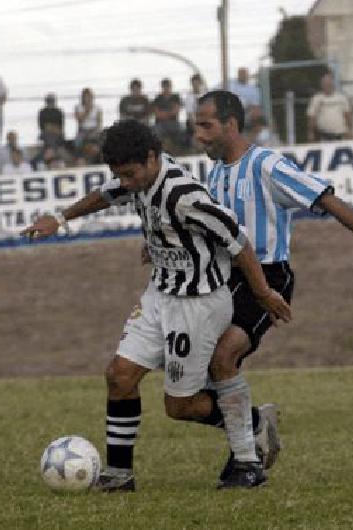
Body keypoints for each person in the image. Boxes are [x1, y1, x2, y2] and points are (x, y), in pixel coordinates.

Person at [21, 119, 292, 492]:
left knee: (179, 406)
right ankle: (119, 475)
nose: (126, 183)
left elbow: (238, 240)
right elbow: (107, 193)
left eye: (131, 174)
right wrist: (60, 218)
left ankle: (252, 433)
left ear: (152, 158)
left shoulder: (185, 195)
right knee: (119, 375)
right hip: (159, 295)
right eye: (120, 175)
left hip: (198, 304)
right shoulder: (136, 176)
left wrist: (262, 292)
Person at [189, 90, 353, 483]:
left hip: (267, 277)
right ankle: (254, 426)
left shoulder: (267, 165)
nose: (199, 135)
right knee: (195, 384)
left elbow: (325, 199)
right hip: (222, 280)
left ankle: (246, 463)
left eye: (206, 126)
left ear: (231, 124)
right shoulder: (216, 171)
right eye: (196, 126)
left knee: (224, 358)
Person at [306, 71, 352, 142]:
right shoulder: (316, 99)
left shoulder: (342, 98)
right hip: (323, 136)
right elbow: (311, 117)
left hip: (340, 135)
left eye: (329, 81)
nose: (327, 84)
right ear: (321, 84)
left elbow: (347, 116)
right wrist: (310, 133)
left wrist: (349, 131)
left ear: (332, 82)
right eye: (324, 82)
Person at [152, 78, 184, 152]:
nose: (166, 88)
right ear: (162, 87)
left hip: (173, 122)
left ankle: (178, 150)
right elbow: (157, 114)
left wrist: (164, 113)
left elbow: (176, 110)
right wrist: (169, 113)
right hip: (160, 123)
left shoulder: (176, 97)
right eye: (165, 86)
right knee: (156, 132)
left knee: (181, 130)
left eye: (168, 86)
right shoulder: (158, 98)